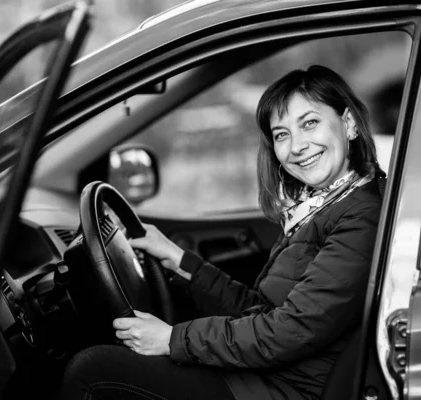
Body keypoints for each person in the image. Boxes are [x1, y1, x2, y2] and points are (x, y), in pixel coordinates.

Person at [60, 65, 385, 400]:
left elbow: (289, 330)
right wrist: (178, 259)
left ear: (349, 124)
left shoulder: (360, 218)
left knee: (92, 371)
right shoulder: (318, 207)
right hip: (268, 375)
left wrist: (172, 339)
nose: (297, 145)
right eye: (282, 134)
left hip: (286, 389)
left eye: (310, 123)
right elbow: (260, 309)